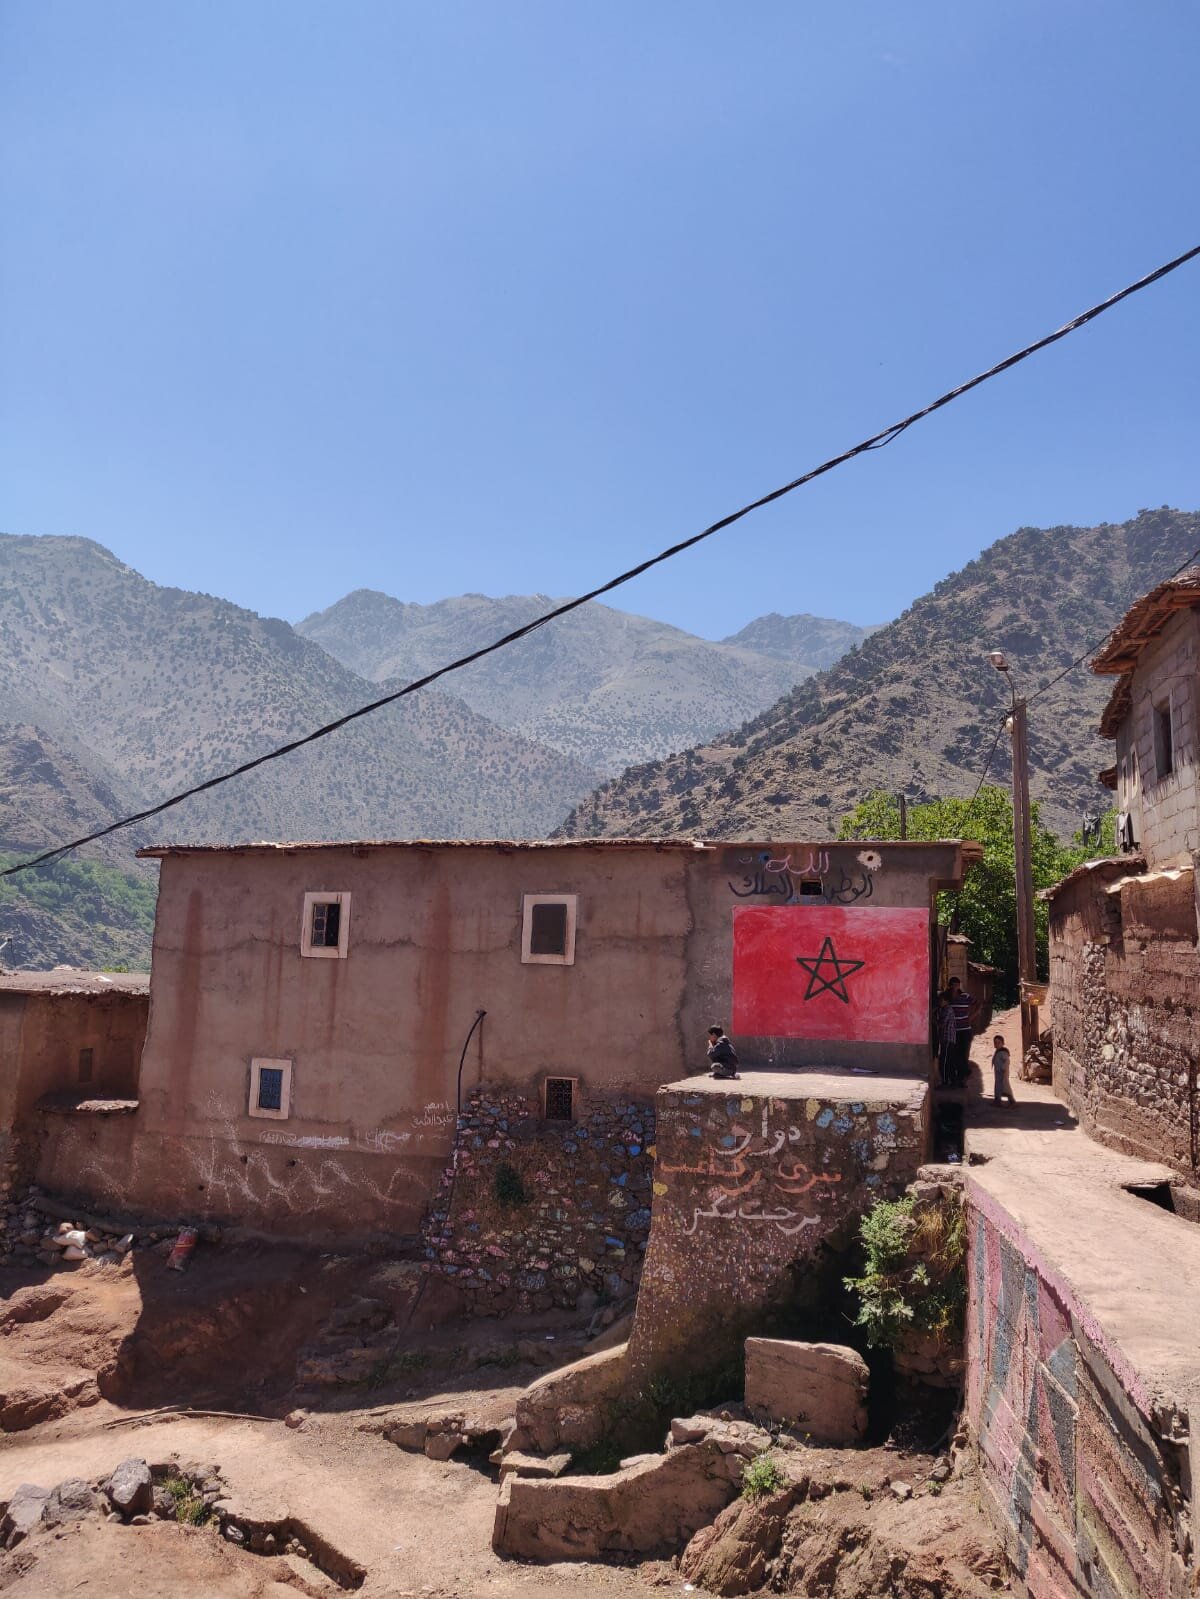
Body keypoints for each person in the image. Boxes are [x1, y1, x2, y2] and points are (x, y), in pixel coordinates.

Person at [991, 1034, 1016, 1105]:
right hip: (998, 1073)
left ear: (1002, 1043)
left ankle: (1012, 1101)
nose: (997, 1044)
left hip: (1003, 1072)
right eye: (995, 1043)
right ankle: (997, 1100)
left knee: (1005, 1086)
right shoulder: (998, 1051)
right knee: (998, 1086)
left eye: (999, 1042)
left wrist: (1003, 1068)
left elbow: (1007, 1061)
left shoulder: (1003, 1052)